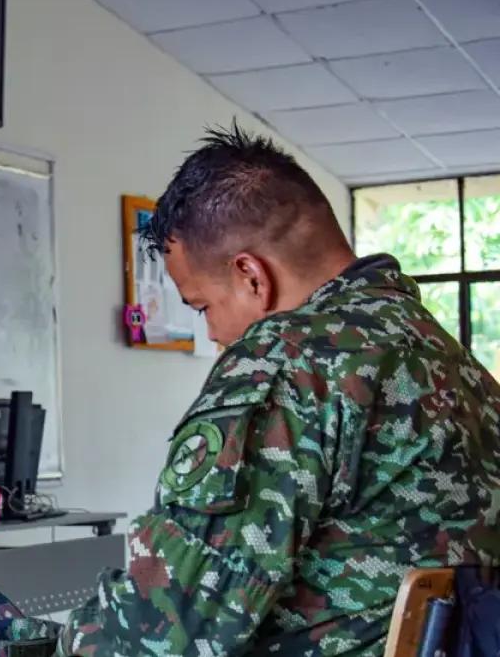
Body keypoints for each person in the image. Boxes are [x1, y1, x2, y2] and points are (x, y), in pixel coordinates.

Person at [59, 125, 500, 656]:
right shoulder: (443, 351)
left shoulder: (285, 359)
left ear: (251, 275)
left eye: (202, 306)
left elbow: (170, 631)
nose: (213, 334)